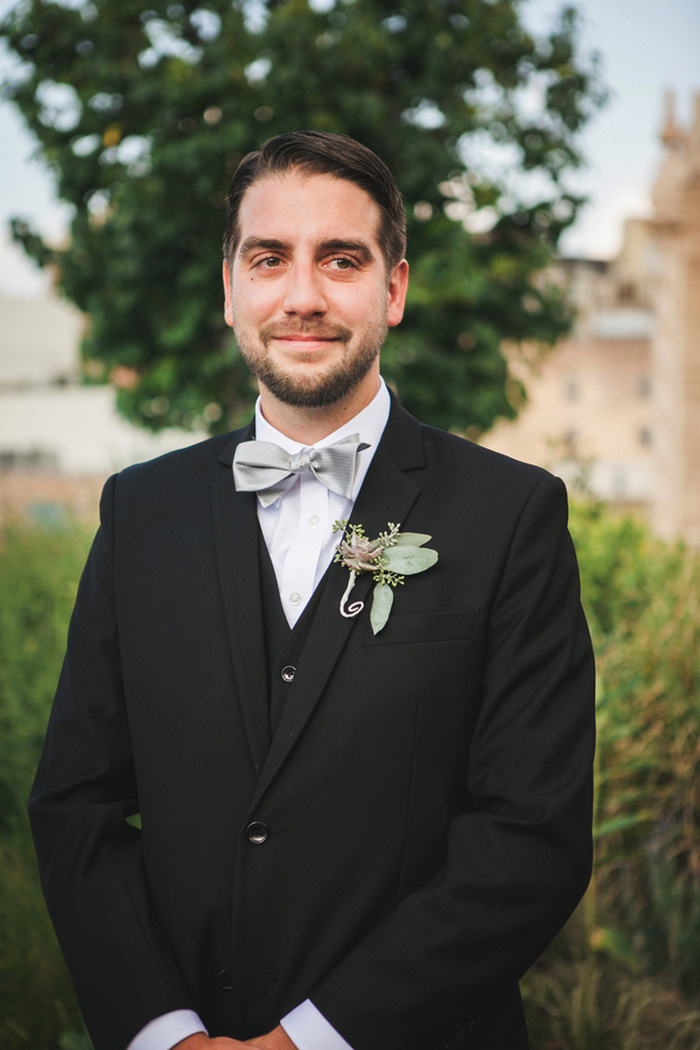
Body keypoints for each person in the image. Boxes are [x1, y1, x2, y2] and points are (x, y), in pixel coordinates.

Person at [29, 130, 595, 1050]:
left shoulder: (514, 515)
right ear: (229, 290)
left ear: (394, 289)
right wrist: (163, 1031)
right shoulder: (139, 511)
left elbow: (532, 835)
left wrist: (315, 1039)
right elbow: (77, 805)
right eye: (269, 259)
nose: (302, 296)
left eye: (341, 259)